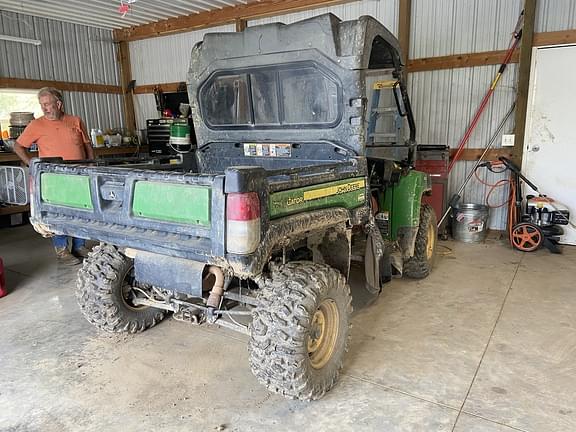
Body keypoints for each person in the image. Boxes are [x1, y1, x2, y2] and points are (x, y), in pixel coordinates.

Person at [13, 87, 94, 266]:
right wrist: (32, 164)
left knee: (82, 212)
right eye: (42, 105)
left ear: (59, 104)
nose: (45, 108)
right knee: (59, 213)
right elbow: (18, 147)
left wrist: (91, 164)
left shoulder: (76, 121)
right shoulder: (36, 125)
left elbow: (87, 145)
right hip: (54, 178)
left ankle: (79, 246)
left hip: (80, 175)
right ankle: (62, 250)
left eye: (48, 104)